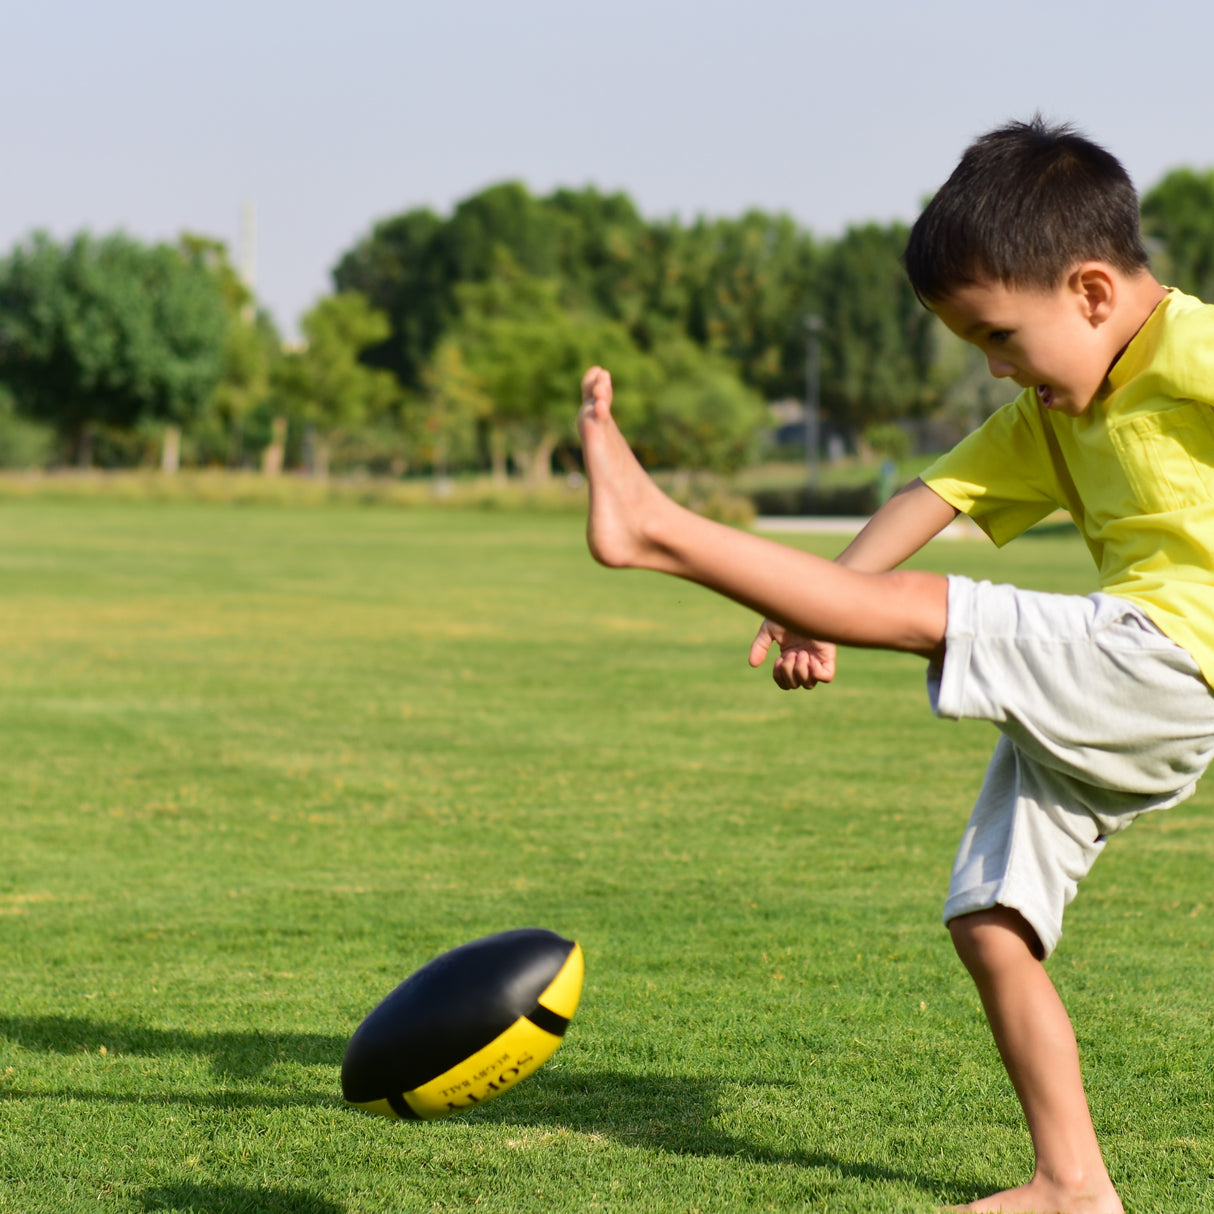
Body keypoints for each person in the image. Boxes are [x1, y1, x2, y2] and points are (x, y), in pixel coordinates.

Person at [576, 117, 1214, 1214]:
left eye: (999, 336)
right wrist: (816, 607)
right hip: (1120, 692)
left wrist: (848, 605)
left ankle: (656, 530)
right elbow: (928, 500)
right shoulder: (1050, 418)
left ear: (1093, 293)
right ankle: (1071, 1184)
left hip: (1171, 656)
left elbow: (914, 600)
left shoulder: (1190, 349)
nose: (993, 366)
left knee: (927, 614)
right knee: (989, 919)